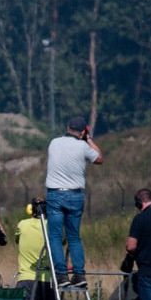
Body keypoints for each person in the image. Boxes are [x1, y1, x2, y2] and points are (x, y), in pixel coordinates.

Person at [43, 116, 102, 287]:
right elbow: (99, 158)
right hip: (75, 195)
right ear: (84, 131)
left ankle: (61, 275)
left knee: (54, 236)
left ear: (68, 127)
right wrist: (89, 139)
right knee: (74, 237)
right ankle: (79, 274)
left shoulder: (54, 143)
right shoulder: (83, 146)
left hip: (55, 194)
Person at [14, 199, 50, 300]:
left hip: (26, 277)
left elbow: (17, 240)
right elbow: (62, 241)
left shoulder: (22, 224)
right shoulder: (51, 226)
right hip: (47, 278)